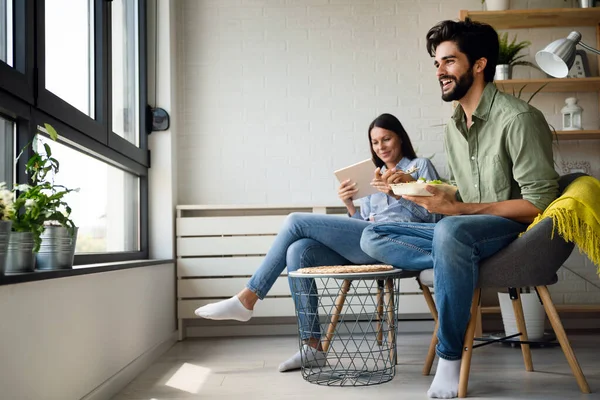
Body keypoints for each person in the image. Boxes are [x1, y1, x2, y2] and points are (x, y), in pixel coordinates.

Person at [359, 20, 559, 399]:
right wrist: (414, 188)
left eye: (449, 62)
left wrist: (459, 210)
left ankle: (449, 359)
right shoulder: (454, 125)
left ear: (479, 64)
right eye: (437, 63)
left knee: (451, 231)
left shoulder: (518, 119)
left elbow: (540, 204)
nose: (440, 72)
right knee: (373, 233)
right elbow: (460, 191)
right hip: (466, 230)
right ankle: (452, 260)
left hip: (511, 230)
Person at [194, 113, 442, 372]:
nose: (381, 147)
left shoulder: (419, 166)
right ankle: (312, 347)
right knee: (298, 250)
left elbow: (432, 216)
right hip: (368, 241)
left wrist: (398, 193)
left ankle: (248, 298)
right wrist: (349, 205)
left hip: (396, 244)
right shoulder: (374, 175)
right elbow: (362, 223)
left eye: (386, 139)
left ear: (400, 137)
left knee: (295, 221)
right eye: (375, 142)